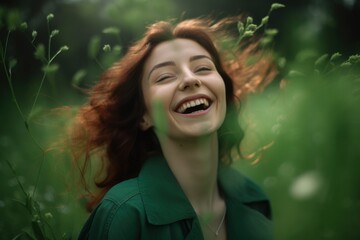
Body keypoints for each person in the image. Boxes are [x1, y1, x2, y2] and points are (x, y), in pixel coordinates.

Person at [73, 17, 277, 240]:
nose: (190, 79)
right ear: (144, 116)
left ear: (224, 96)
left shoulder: (254, 200)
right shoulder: (125, 214)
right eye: (165, 76)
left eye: (202, 68)